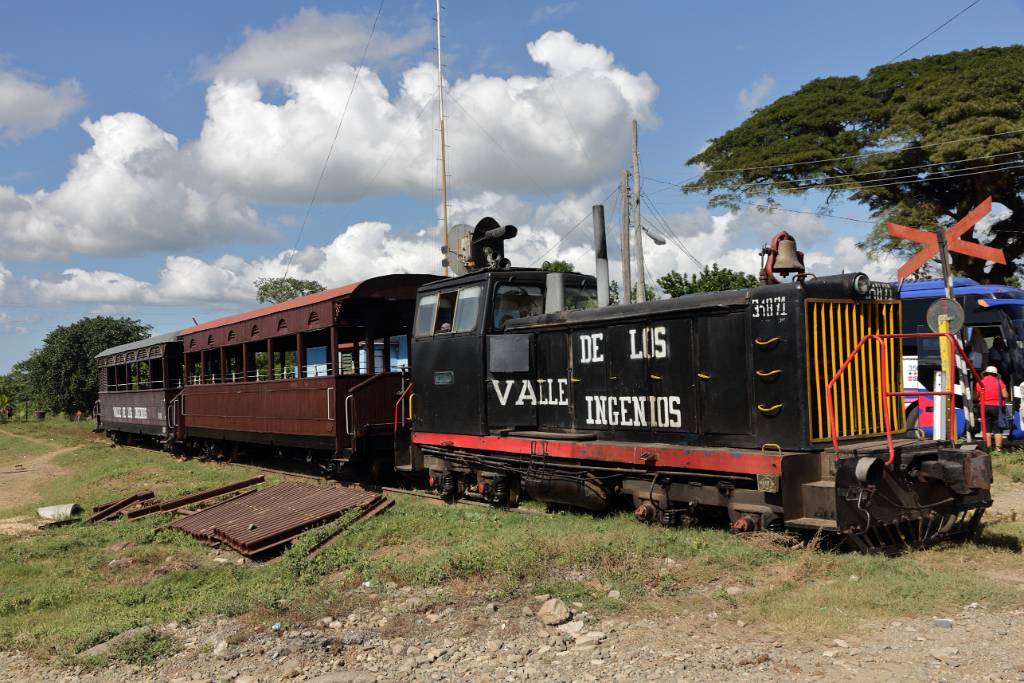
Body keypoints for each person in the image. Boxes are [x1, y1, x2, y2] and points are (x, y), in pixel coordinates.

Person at [975, 365, 1010, 449]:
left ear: (986, 373)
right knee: (998, 429)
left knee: (987, 429)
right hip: (997, 407)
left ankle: (988, 448)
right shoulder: (999, 382)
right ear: (995, 374)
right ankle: (998, 449)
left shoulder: (980, 382)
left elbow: (976, 397)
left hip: (984, 407)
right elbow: (1005, 395)